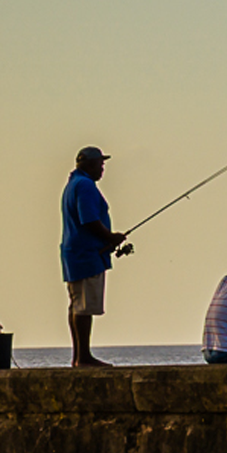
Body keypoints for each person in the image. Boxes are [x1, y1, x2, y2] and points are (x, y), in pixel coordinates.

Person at [60, 145, 130, 368]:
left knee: (77, 305)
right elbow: (88, 219)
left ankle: (79, 356)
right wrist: (110, 237)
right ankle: (83, 357)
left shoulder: (73, 184)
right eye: (100, 164)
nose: (102, 168)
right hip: (86, 255)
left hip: (75, 254)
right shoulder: (85, 185)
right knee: (83, 307)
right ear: (89, 165)